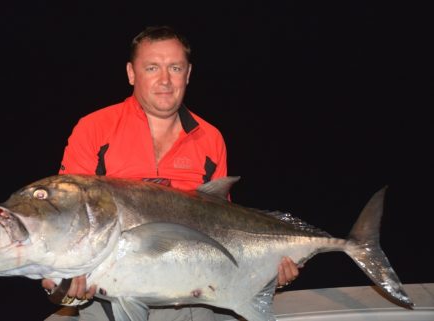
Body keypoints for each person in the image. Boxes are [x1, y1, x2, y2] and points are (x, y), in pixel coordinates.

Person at [43, 25, 299, 321]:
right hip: (110, 297)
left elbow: (224, 228)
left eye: (175, 68)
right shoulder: (94, 129)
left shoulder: (210, 138)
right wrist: (62, 285)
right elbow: (70, 222)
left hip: (192, 302)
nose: (165, 80)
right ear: (131, 73)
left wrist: (265, 270)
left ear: (188, 74)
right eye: (152, 67)